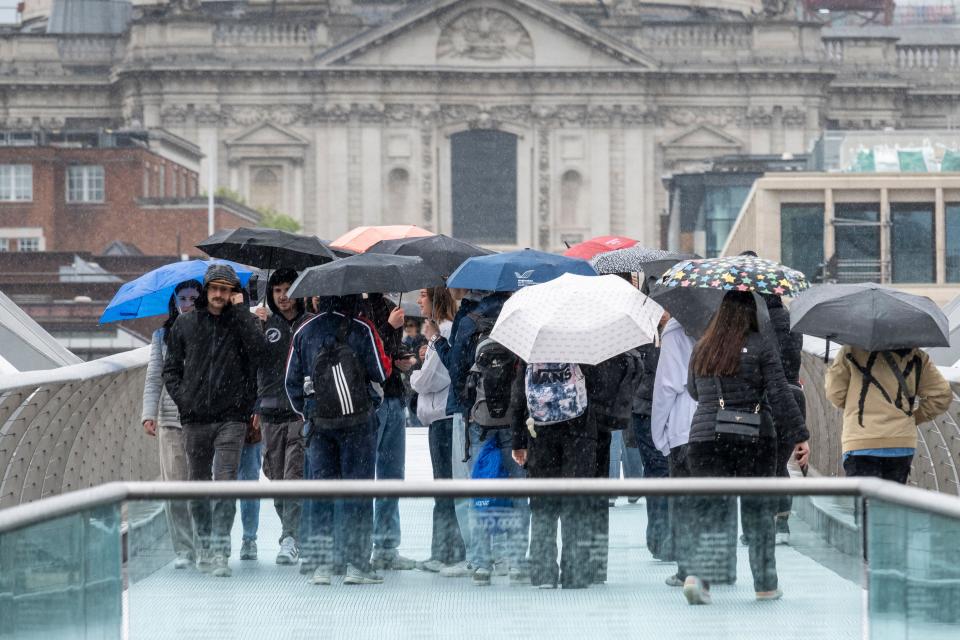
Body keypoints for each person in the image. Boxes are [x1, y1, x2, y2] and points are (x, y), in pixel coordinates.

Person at [682, 291, 810, 605]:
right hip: (753, 438)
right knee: (758, 513)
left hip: (705, 437)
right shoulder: (761, 345)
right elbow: (780, 394)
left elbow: (694, 391)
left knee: (708, 513)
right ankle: (765, 584)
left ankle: (699, 578)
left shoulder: (703, 345)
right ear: (753, 314)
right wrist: (799, 435)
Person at [162, 264, 265, 578]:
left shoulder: (241, 323)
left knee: (225, 483)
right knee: (198, 483)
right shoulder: (186, 324)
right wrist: (185, 400)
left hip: (232, 417)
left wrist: (243, 314)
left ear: (233, 292)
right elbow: (170, 370)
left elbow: (259, 354)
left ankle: (220, 548)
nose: (219, 295)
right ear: (206, 291)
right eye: (215, 289)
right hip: (195, 418)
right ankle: (205, 543)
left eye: (226, 289)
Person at [285, 294, 390, 586]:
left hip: (320, 425)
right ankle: (356, 564)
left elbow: (290, 383)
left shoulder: (304, 331)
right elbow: (381, 372)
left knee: (322, 493)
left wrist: (307, 412)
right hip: (358, 423)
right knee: (357, 492)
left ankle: (321, 565)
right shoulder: (362, 328)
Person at [513, 359, 595, 589]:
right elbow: (596, 388)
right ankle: (575, 572)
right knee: (576, 504)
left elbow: (519, 396)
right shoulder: (583, 345)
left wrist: (518, 440)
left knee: (542, 505)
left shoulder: (531, 350)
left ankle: (543, 572)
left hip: (541, 434)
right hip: (578, 433)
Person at [252, 268, 312, 565]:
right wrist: (257, 330)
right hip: (269, 411)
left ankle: (289, 538)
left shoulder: (308, 323)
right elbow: (252, 364)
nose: (283, 295)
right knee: (275, 478)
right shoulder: (264, 324)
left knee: (293, 475)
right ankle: (294, 533)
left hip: (299, 411)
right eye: (277, 290)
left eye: (288, 288)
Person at [826, 344, 951, 484]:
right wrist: (914, 418)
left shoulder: (851, 350)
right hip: (900, 442)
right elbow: (942, 395)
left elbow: (835, 394)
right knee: (891, 502)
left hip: (861, 442)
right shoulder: (916, 356)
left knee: (864, 503)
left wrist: (855, 405)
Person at [141, 279, 201, 570]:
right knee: (175, 486)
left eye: (193, 297)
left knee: (203, 485)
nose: (187, 303)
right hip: (170, 418)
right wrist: (148, 414)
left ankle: (206, 543)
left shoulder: (210, 330)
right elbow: (154, 376)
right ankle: (184, 548)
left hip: (204, 418)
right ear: (175, 302)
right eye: (183, 298)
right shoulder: (162, 336)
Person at [361, 293, 419, 571]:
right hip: (370, 401)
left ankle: (386, 546)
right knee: (363, 474)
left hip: (394, 396)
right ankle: (360, 548)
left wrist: (400, 359)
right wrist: (388, 327)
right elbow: (364, 352)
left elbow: (386, 354)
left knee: (393, 474)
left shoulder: (387, 304)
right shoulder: (356, 305)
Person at [410, 286, 465, 572]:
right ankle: (445, 549)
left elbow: (431, 378)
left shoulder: (444, 332)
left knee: (445, 486)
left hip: (443, 418)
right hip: (439, 418)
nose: (418, 301)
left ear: (436, 299)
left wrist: (414, 375)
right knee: (444, 486)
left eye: (423, 295)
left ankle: (448, 551)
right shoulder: (437, 335)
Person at [430, 287, 478, 578]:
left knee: (464, 484)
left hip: (466, 409)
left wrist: (436, 341)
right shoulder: (501, 314)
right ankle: (503, 554)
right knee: (497, 485)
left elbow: (454, 367)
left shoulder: (465, 320)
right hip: (494, 411)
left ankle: (474, 553)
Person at [650, 317, 698, 588]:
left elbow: (666, 387)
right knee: (717, 498)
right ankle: (720, 563)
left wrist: (659, 435)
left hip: (685, 426)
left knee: (684, 502)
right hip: (722, 423)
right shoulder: (729, 323)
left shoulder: (676, 330)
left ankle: (687, 570)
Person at [764, 293, 805, 545]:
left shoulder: (758, 323)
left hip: (768, 396)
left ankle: (761, 521)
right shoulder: (793, 322)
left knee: (764, 463)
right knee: (780, 462)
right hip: (794, 395)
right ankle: (783, 523)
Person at [632, 317, 671, 559]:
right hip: (649, 411)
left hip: (648, 409)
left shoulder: (646, 333)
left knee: (658, 472)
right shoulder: (650, 334)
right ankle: (661, 538)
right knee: (660, 471)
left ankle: (660, 538)